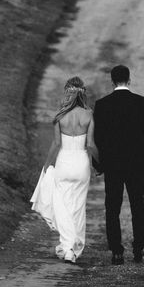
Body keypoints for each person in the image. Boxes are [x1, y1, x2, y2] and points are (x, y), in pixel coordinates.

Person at [93, 65, 144, 265]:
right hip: (135, 164)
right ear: (129, 80)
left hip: (113, 165)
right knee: (137, 206)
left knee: (112, 207)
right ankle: (138, 249)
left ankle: (116, 251)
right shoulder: (141, 103)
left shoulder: (102, 104)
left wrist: (97, 165)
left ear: (112, 81)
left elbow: (97, 138)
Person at [30, 76, 98, 264]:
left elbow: (56, 144)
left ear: (67, 94)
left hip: (64, 162)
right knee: (77, 207)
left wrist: (46, 166)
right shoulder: (89, 114)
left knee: (62, 205)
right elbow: (90, 144)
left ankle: (67, 245)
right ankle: (72, 247)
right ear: (82, 94)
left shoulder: (60, 116)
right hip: (81, 163)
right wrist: (100, 163)